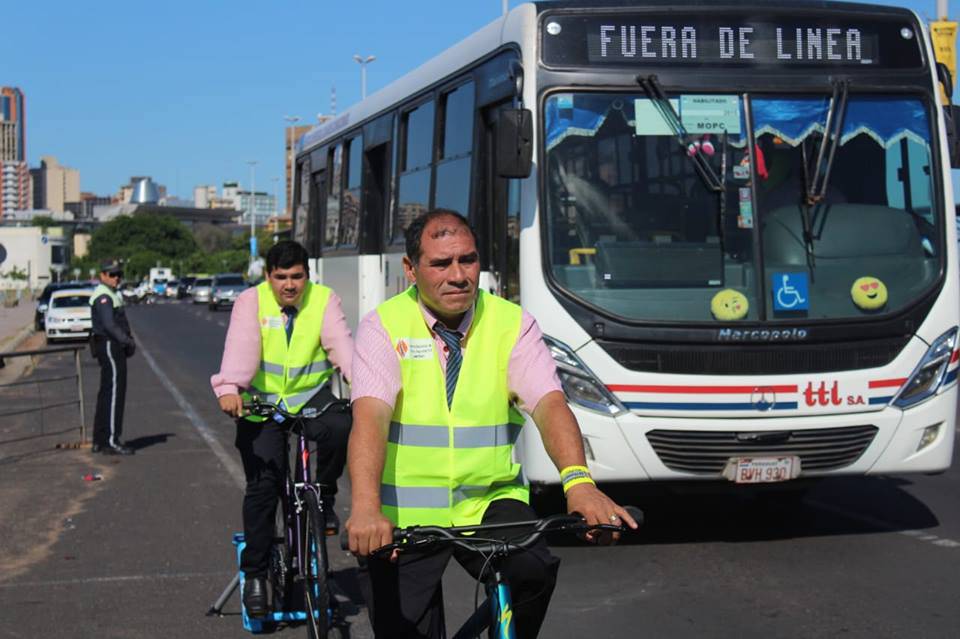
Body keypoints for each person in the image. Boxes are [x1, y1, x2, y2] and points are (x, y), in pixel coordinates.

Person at [346, 210, 637, 638]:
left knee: (533, 569)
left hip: (488, 503)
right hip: (403, 514)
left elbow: (550, 404)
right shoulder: (383, 326)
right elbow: (370, 416)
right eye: (441, 264)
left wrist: (579, 484)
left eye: (468, 260)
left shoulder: (511, 323)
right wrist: (367, 509)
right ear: (411, 269)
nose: (458, 275)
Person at [210, 240, 353, 619]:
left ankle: (323, 493)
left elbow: (343, 349)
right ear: (268, 277)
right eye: (281, 277)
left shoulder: (324, 300)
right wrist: (230, 389)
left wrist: (368, 390)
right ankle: (256, 575)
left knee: (343, 425)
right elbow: (241, 348)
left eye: (297, 277)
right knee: (264, 487)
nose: (289, 285)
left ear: (308, 275)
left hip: (309, 398)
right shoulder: (250, 302)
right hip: (262, 402)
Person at [90, 260, 136, 456]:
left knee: (107, 392)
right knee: (114, 393)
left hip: (109, 344)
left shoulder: (109, 294)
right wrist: (127, 341)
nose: (116, 277)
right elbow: (109, 325)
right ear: (102, 276)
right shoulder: (103, 296)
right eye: (112, 274)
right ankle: (110, 440)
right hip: (110, 345)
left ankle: (99, 440)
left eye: (118, 274)